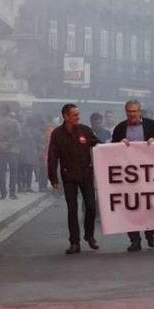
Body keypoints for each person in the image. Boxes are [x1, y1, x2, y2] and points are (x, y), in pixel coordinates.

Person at [112, 99, 154, 252]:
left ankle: (150, 234)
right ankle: (134, 239)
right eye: (129, 111)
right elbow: (111, 148)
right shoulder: (120, 127)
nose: (132, 114)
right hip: (128, 176)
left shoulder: (151, 125)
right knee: (131, 207)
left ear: (140, 111)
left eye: (134, 111)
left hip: (149, 174)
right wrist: (118, 143)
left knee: (149, 206)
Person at [48, 104, 101, 254]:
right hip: (69, 176)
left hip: (86, 175)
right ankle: (74, 242)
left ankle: (89, 235)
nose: (78, 117)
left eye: (78, 114)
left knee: (91, 207)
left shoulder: (85, 130)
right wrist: (53, 177)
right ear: (66, 116)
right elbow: (52, 156)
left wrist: (116, 147)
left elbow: (99, 146)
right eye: (75, 115)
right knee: (72, 209)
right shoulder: (57, 134)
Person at [0, 104, 21, 200]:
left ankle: (3, 193)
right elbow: (19, 136)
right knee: (13, 172)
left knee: (1, 172)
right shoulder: (14, 122)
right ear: (9, 112)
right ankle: (12, 193)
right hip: (12, 150)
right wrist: (9, 144)